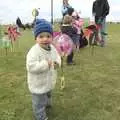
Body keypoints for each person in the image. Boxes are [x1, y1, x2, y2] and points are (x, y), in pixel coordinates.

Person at [26, 19, 61, 120]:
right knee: (38, 103)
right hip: (38, 84)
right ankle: (40, 116)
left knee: (48, 94)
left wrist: (57, 63)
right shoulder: (34, 51)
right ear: (36, 38)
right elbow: (31, 66)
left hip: (48, 81)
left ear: (52, 37)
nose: (45, 39)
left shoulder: (52, 48)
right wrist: (46, 64)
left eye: (48, 36)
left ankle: (47, 104)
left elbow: (57, 57)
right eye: (41, 36)